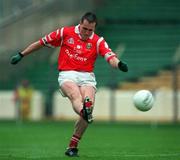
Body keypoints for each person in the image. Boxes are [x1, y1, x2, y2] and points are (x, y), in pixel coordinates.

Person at [10, 12, 128, 157]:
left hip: (87, 77)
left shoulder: (98, 41)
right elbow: (41, 42)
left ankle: (73, 146)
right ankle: (85, 111)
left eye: (90, 30)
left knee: (88, 102)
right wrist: (22, 54)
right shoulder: (65, 32)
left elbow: (110, 57)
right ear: (80, 23)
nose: (87, 32)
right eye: (85, 29)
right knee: (75, 95)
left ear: (94, 28)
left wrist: (119, 64)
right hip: (67, 74)